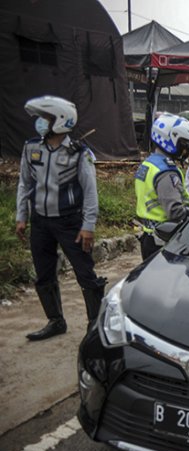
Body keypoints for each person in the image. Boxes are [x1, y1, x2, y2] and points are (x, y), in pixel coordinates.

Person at [15, 96, 107, 341]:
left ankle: (95, 326)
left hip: (71, 223)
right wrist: (21, 216)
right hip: (40, 222)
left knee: (86, 274)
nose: (41, 123)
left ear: (60, 121)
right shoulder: (32, 147)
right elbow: (24, 183)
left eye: (46, 119)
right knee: (44, 273)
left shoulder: (79, 154)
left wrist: (88, 226)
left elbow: (90, 192)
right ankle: (55, 321)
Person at [135, 112, 189, 260]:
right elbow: (174, 211)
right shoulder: (166, 172)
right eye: (183, 144)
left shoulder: (149, 164)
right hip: (165, 239)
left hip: (150, 234)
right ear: (170, 140)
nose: (186, 149)